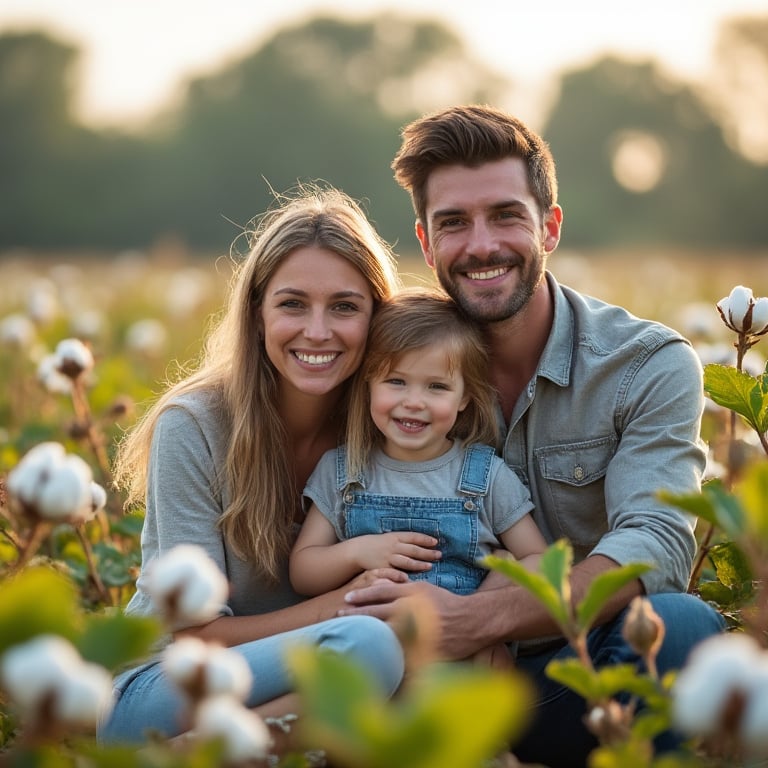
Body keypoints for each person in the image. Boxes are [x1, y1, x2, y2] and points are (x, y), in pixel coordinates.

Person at [338, 104, 726, 767]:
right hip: (409, 684)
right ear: (427, 244)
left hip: (568, 678)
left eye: (506, 216)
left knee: (684, 625)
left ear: (549, 226)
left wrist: (475, 618)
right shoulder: (388, 364)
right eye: (453, 223)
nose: (481, 244)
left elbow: (654, 543)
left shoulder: (646, 364)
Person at [99, 186, 407, 751]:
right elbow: (198, 634)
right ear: (257, 314)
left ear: (376, 319)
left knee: (412, 662)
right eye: (292, 304)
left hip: (314, 673)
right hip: (166, 689)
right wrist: (340, 606)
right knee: (371, 647)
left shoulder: (392, 431)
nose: (318, 331)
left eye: (345, 306)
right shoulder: (193, 425)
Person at [289, 286, 547, 667]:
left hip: (464, 656)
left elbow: (540, 558)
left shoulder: (484, 475)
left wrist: (481, 607)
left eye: (437, 387)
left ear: (464, 398)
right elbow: (303, 571)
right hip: (372, 659)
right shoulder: (344, 472)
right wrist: (358, 552)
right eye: (396, 381)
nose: (414, 401)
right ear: (368, 384)